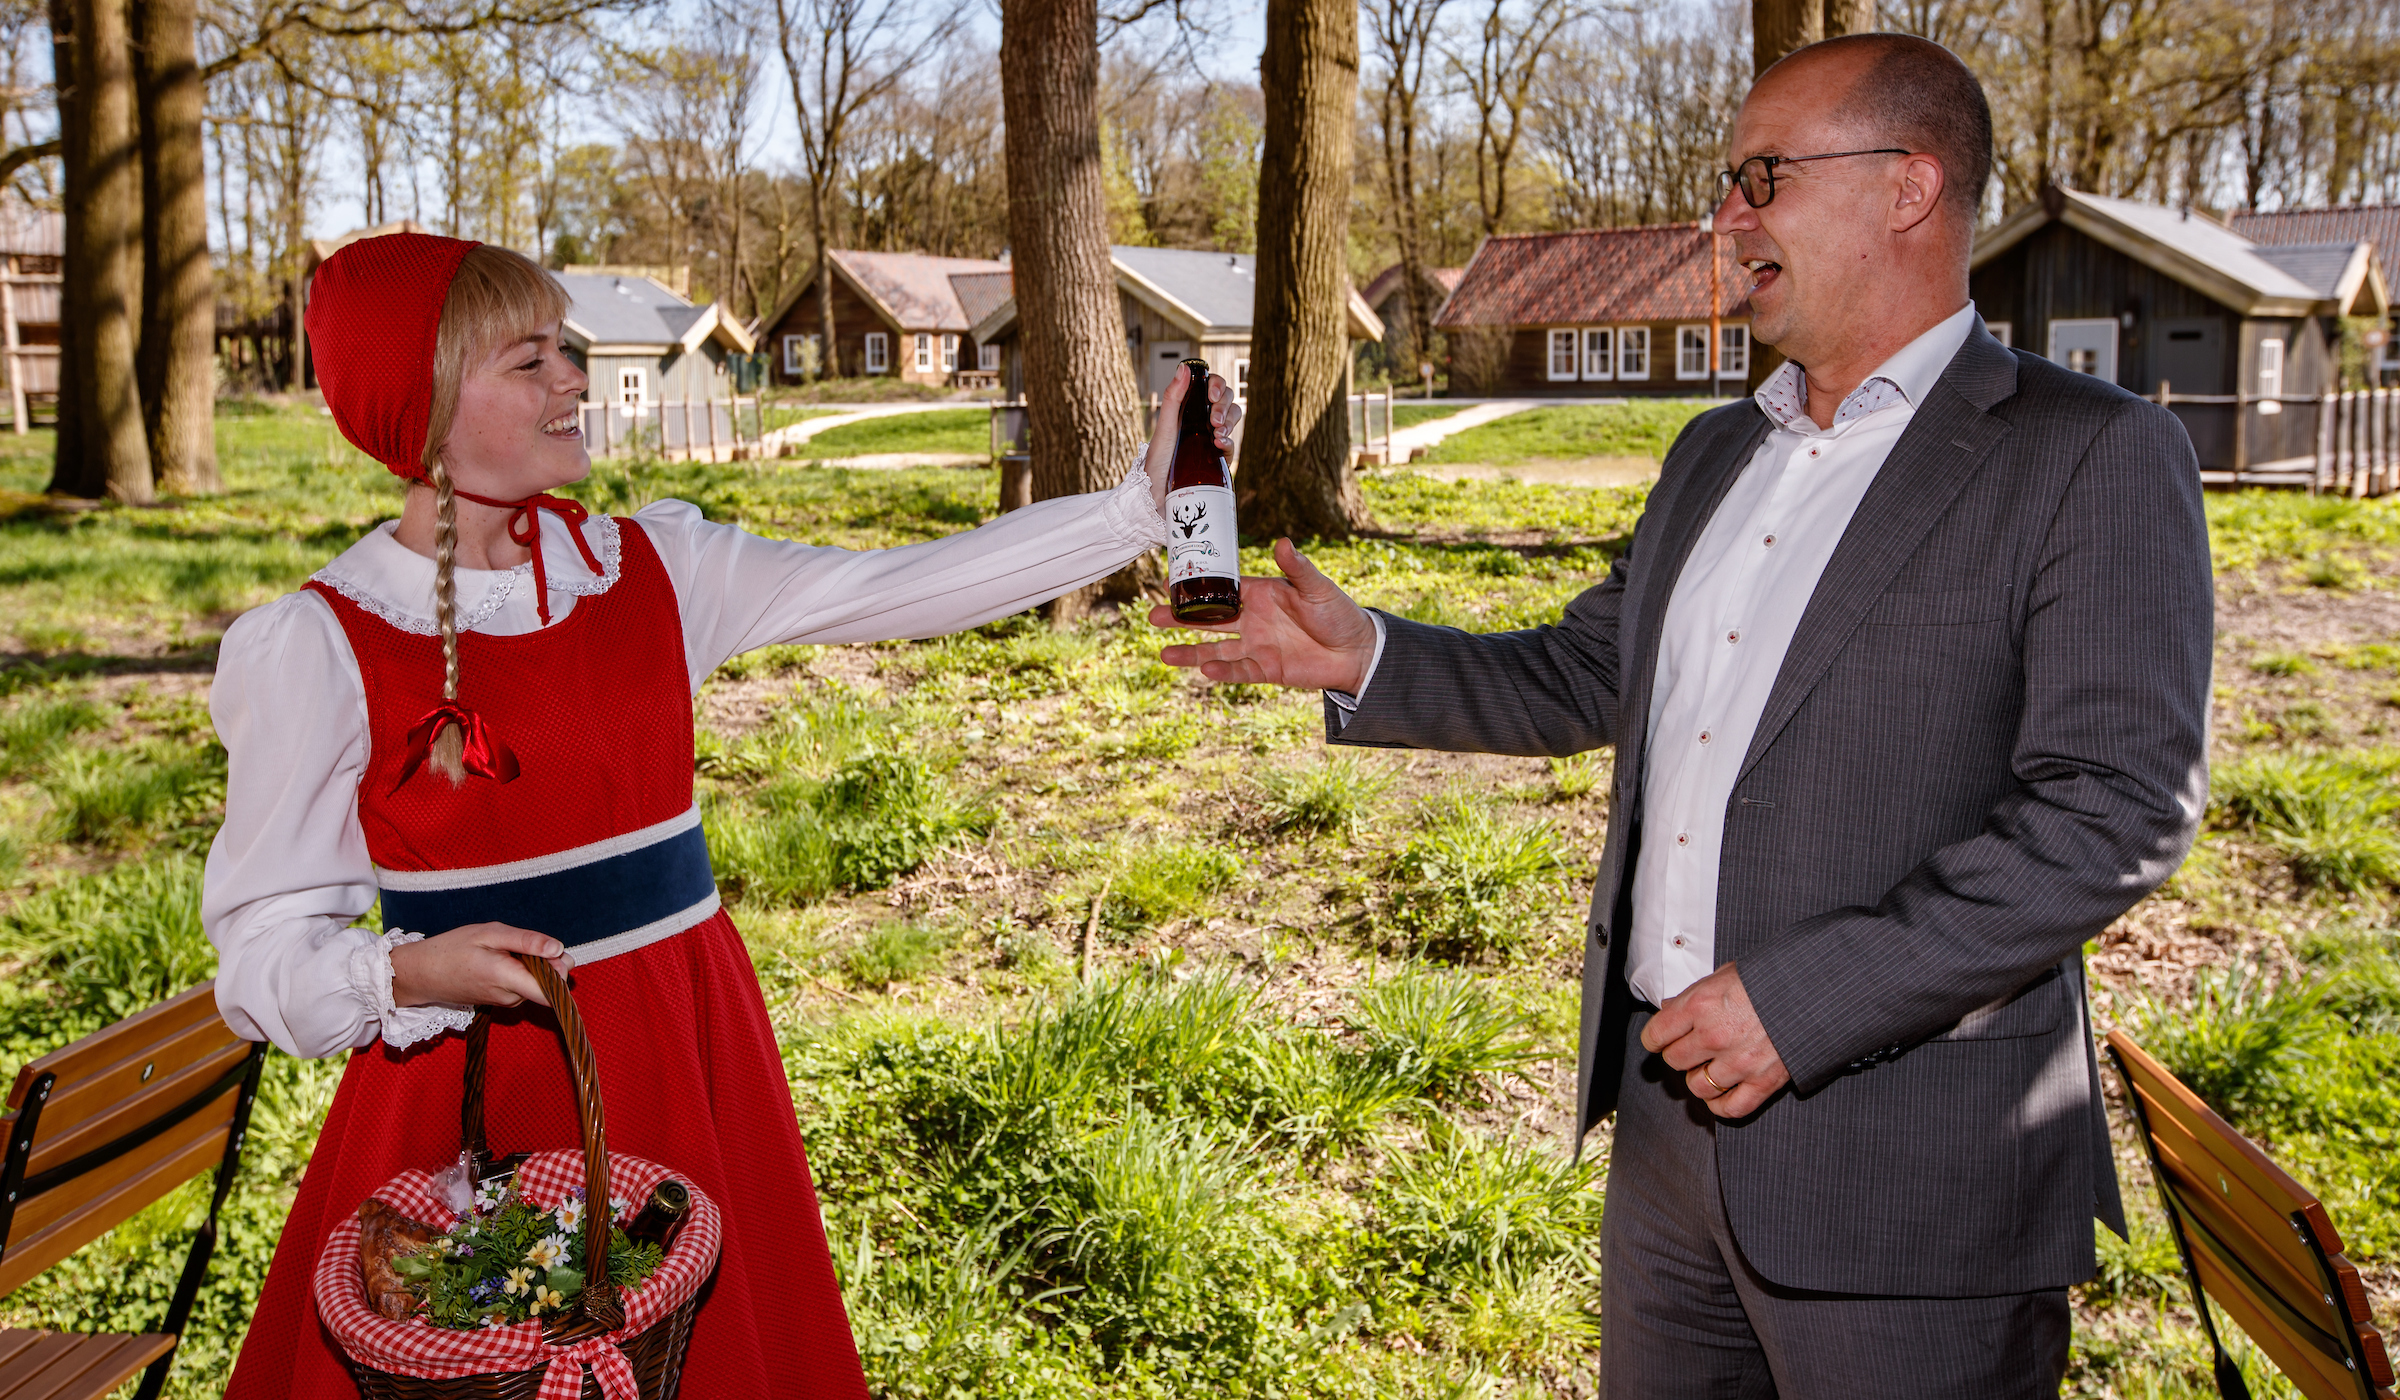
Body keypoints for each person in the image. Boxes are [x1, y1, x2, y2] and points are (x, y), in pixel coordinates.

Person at [1155, 33, 2211, 1398]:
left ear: (1908, 187)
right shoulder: (1719, 448)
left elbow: (2112, 810)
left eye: (1763, 177)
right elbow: (1589, 674)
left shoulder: (2090, 453)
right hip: (1665, 1144)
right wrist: (1362, 653)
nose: (1726, 219)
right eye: (1727, 183)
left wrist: (1804, 1000)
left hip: (1908, 1183)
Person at [205, 231, 1238, 1398]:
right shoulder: (321, 644)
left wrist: (1136, 510)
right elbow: (259, 957)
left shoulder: (652, 565)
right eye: (527, 360)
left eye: (567, 350)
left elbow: (892, 587)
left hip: (687, 1053)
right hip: (475, 1096)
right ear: (427, 406)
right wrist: (406, 976)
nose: (571, 380)